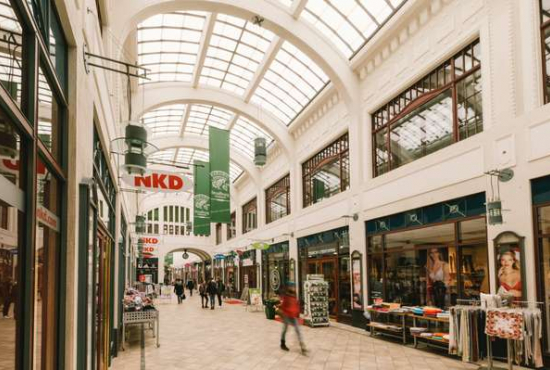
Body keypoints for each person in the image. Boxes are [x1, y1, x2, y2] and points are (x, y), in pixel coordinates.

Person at [278, 284, 307, 355]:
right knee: (285, 329)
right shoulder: (286, 296)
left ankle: (302, 345)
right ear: (289, 288)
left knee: (298, 330)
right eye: (292, 287)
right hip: (287, 315)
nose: (293, 288)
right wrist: (282, 311)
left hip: (294, 316)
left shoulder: (294, 296)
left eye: (294, 287)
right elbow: (283, 305)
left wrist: (297, 313)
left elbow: (296, 305)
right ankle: (282, 343)